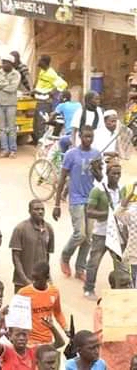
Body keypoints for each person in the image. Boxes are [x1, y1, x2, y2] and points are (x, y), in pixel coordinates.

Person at [54, 125, 101, 280]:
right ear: (80, 136)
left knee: (88, 237)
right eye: (86, 136)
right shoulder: (71, 154)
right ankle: (65, 257)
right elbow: (62, 179)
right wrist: (57, 204)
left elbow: (100, 178)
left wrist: (96, 169)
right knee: (79, 234)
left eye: (91, 137)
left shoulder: (96, 154)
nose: (88, 139)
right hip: (76, 199)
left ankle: (80, 268)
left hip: (91, 199)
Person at [84, 161, 127, 300]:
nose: (116, 176)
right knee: (94, 262)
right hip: (101, 234)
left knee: (121, 265)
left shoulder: (121, 191)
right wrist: (109, 214)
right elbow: (89, 212)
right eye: (113, 173)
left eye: (118, 173)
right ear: (107, 174)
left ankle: (120, 291)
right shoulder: (98, 190)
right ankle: (88, 289)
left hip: (117, 234)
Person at [0, 305, 65, 369]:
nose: (21, 338)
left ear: (29, 335)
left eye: (24, 335)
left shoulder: (33, 351)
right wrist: (1, 321)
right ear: (10, 336)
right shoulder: (7, 351)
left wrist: (52, 327)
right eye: (17, 335)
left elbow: (60, 343)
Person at [15, 261, 68, 346]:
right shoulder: (23, 293)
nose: (35, 282)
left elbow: (58, 313)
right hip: (30, 342)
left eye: (38, 279)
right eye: (33, 278)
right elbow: (16, 319)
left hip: (48, 340)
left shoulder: (54, 291)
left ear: (47, 277)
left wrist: (65, 328)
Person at [93, 269, 137, 369]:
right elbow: (99, 337)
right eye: (123, 285)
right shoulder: (103, 307)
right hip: (113, 363)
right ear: (113, 287)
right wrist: (122, 324)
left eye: (129, 284)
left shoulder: (134, 303)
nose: (128, 288)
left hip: (133, 360)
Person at [9, 200, 55, 292]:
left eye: (42, 209)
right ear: (29, 211)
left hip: (42, 283)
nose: (40, 211)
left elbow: (47, 256)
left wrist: (47, 278)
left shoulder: (48, 229)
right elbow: (16, 257)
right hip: (22, 283)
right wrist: (25, 280)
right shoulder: (20, 229)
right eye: (36, 209)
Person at [0, 53, 21, 158]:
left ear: (11, 64)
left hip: (11, 104)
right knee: (2, 129)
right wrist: (5, 84)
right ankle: (5, 149)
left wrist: (0, 86)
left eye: (6, 63)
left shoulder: (16, 74)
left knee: (12, 128)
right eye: (3, 62)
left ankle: (13, 150)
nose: (4, 65)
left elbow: (12, 89)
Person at [33, 55, 67, 143]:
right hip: (39, 100)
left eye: (39, 60)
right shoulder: (42, 71)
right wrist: (35, 90)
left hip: (45, 102)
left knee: (42, 123)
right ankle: (38, 141)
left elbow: (63, 84)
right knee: (37, 124)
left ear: (44, 62)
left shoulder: (51, 74)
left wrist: (51, 93)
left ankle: (43, 143)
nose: (38, 62)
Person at [116, 179, 137, 287]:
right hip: (134, 255)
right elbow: (118, 213)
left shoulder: (132, 212)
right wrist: (131, 194)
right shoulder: (133, 213)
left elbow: (118, 213)